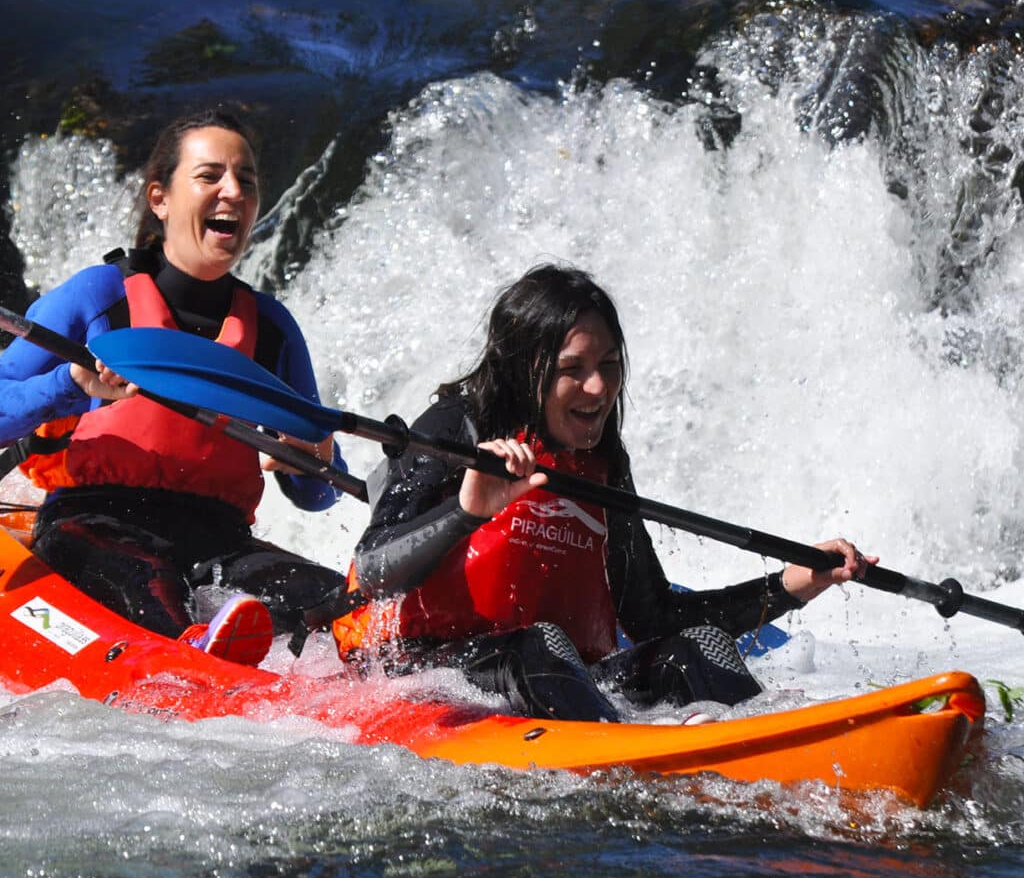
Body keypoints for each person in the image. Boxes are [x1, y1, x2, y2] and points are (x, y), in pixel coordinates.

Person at [334, 263, 876, 722]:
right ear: (526, 371)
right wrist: (465, 512)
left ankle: (779, 750)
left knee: (697, 650)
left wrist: (795, 582)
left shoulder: (602, 465)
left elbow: (656, 620)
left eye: (609, 366)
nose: (598, 388)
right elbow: (376, 568)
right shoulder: (459, 429)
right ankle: (617, 756)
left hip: (566, 681)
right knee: (541, 643)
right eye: (573, 370)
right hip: (432, 669)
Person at [0, 108, 348, 664]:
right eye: (210, 176)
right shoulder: (98, 297)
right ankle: (196, 656)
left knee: (343, 610)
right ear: (160, 199)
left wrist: (318, 457)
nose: (233, 191)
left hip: (220, 538)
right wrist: (69, 383)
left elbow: (320, 494)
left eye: (247, 181)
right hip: (97, 522)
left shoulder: (273, 328)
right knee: (150, 592)